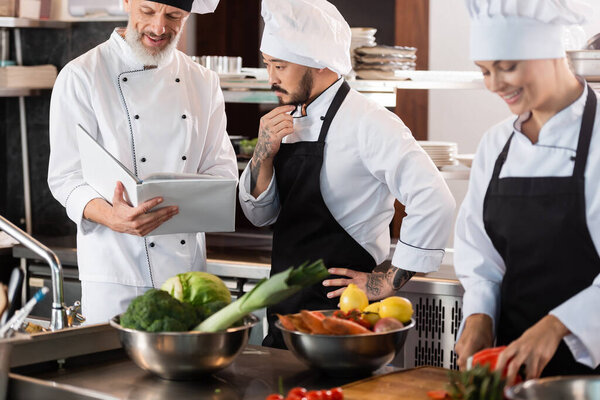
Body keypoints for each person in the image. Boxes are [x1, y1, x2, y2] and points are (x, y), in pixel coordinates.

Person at [238, 0, 456, 348]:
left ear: (321, 65)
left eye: (280, 65)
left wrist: (386, 282)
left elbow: (435, 199)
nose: (271, 78)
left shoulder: (369, 121)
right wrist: (263, 155)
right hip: (284, 316)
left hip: (343, 322)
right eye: (268, 64)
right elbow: (261, 215)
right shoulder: (283, 121)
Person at [47, 0, 237, 324]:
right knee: (111, 370)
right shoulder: (81, 76)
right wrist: (112, 216)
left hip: (186, 275)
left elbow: (221, 170)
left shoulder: (203, 82)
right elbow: (66, 177)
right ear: (127, 2)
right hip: (114, 271)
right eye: (148, 12)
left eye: (174, 16)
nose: (159, 27)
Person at [454, 0, 600, 384]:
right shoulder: (495, 144)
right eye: (484, 71)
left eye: (507, 67)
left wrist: (556, 325)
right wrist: (479, 316)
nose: (494, 84)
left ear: (553, 53)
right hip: (514, 371)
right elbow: (480, 253)